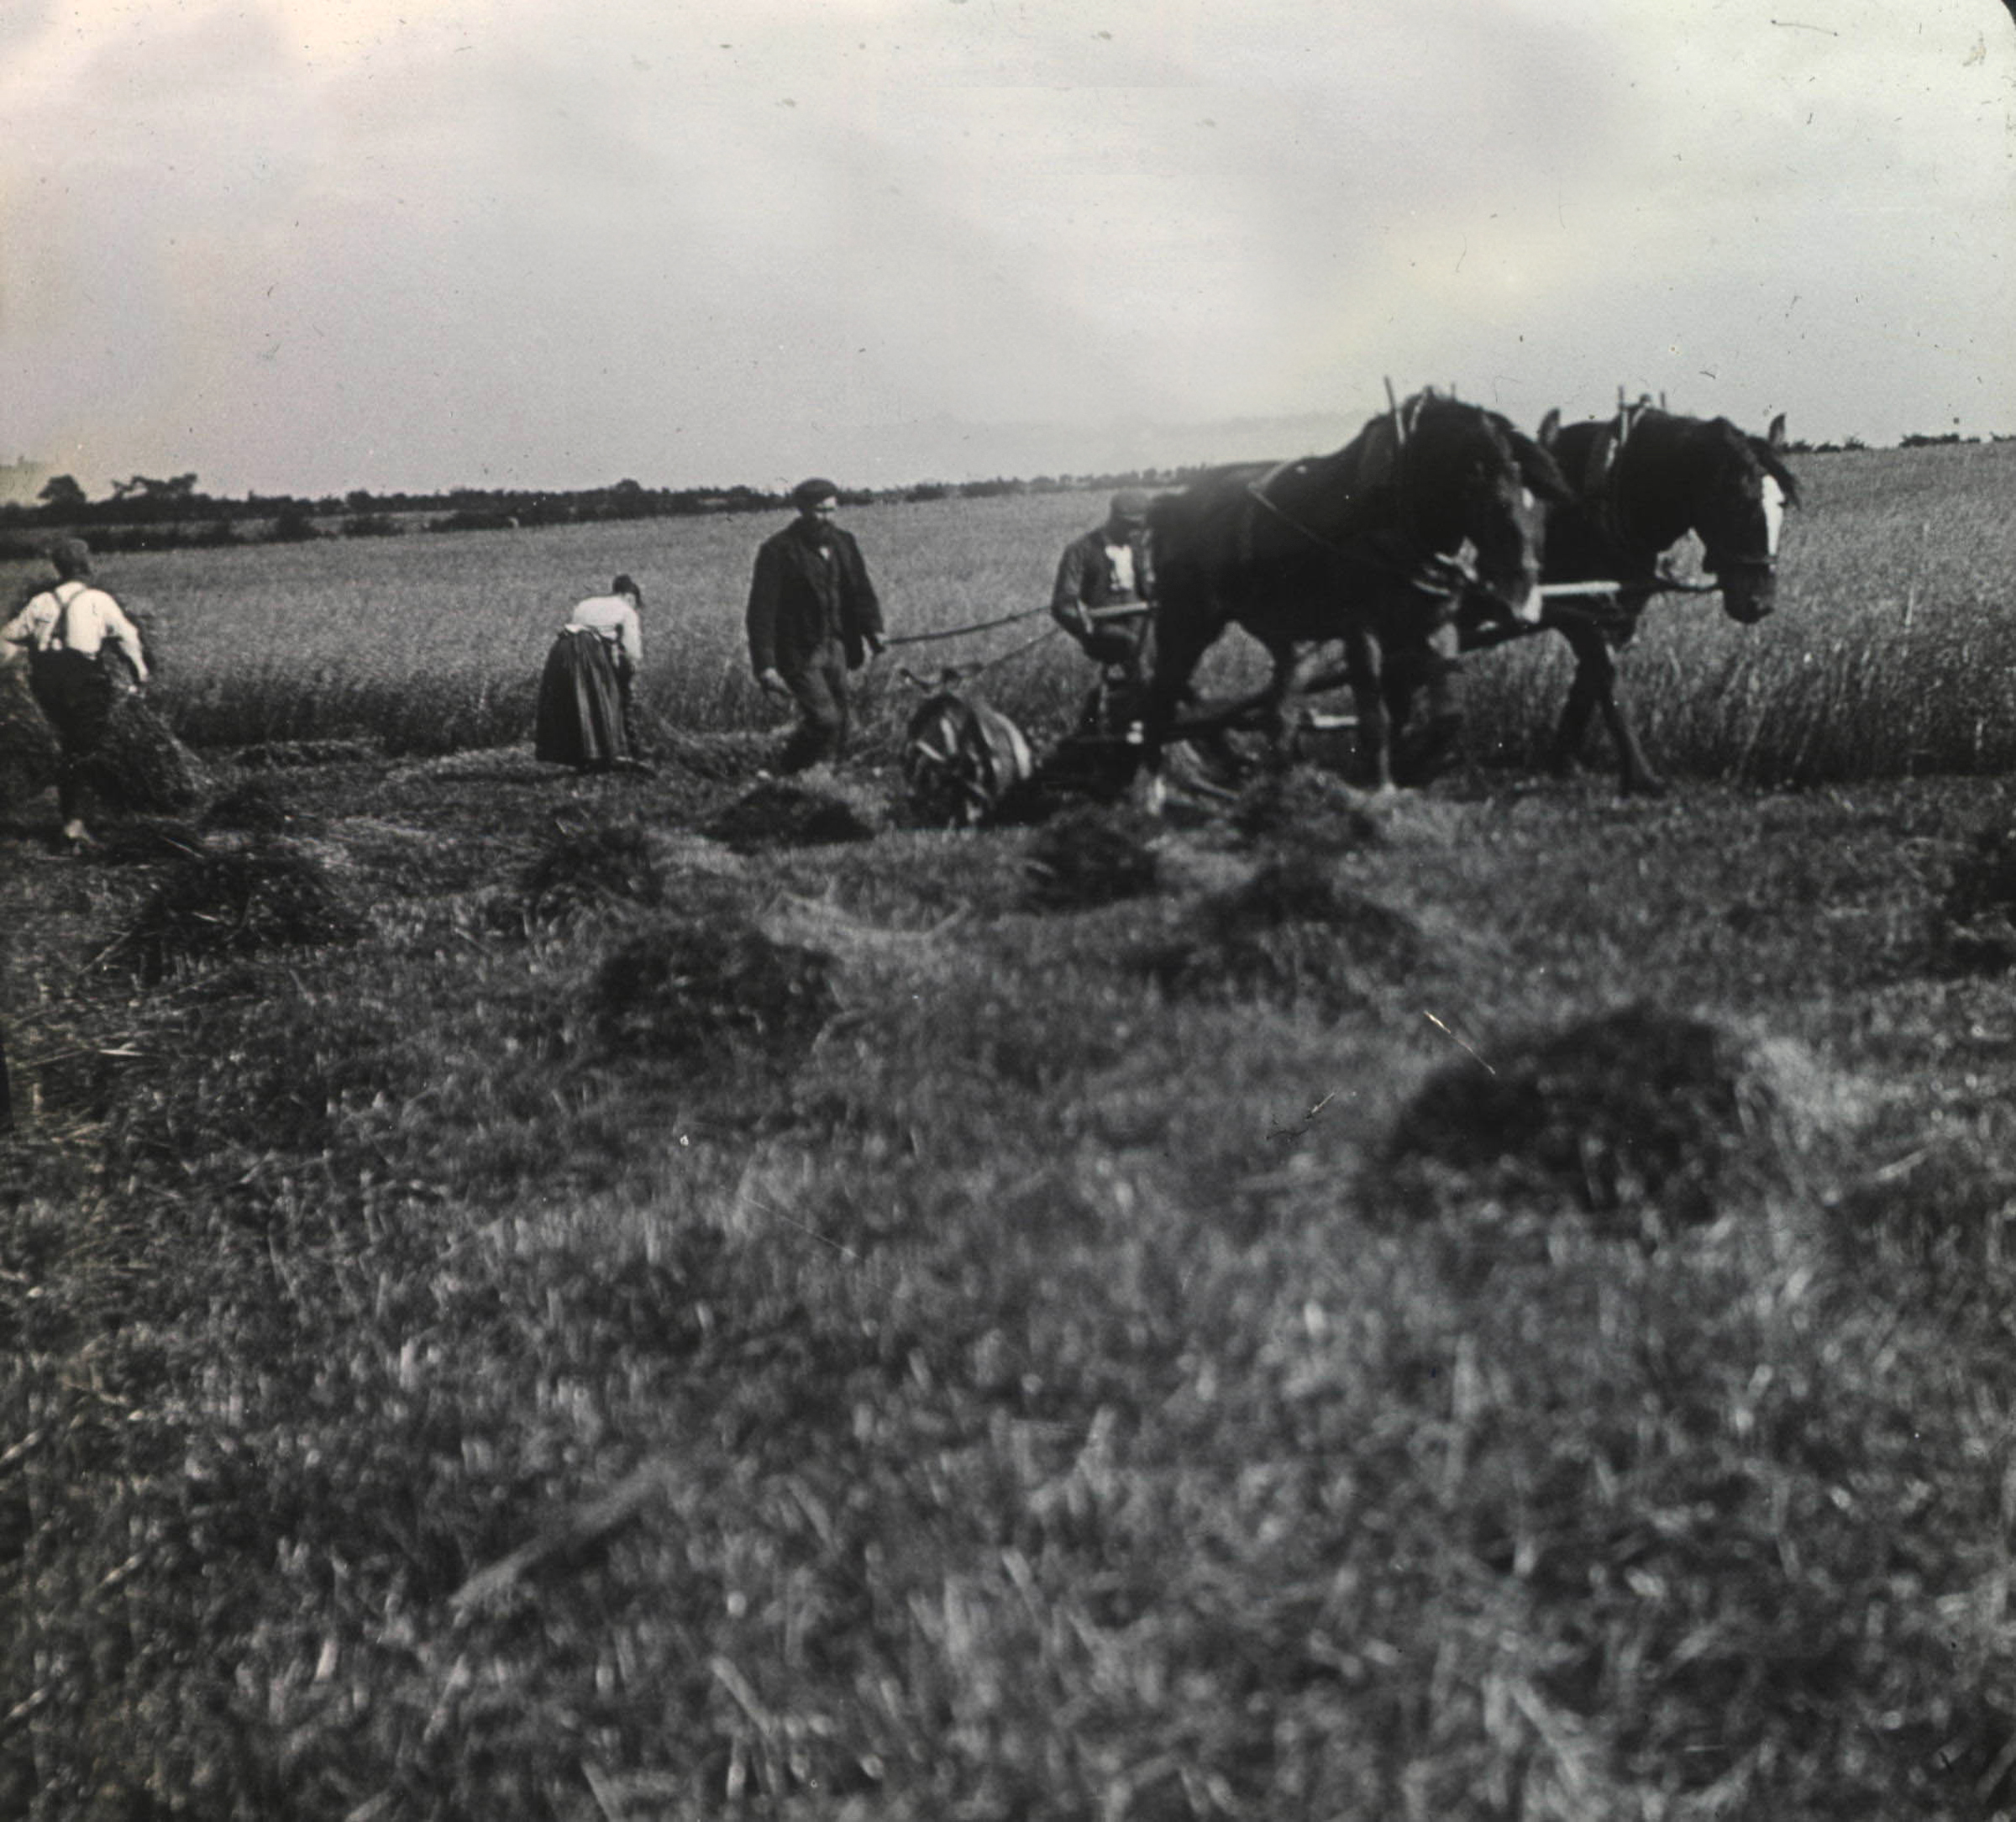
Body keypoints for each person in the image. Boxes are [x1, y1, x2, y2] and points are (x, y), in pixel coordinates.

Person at [1, 537, 150, 849]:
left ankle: (72, 817)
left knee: (63, 747)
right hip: (84, 680)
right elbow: (128, 638)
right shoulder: (98, 600)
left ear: (58, 568)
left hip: (45, 681)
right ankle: (74, 826)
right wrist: (140, 674)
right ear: (85, 566)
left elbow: (8, 638)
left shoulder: (41, 601)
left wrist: (12, 669)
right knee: (83, 750)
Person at [746, 478, 886, 771]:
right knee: (825, 719)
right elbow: (761, 612)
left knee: (843, 721)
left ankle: (826, 778)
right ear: (802, 509)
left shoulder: (845, 543)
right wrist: (766, 666)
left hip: (838, 646)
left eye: (832, 511)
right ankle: (786, 771)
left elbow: (861, 590)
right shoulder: (778, 550)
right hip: (799, 652)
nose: (827, 518)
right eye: (820, 511)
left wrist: (873, 630)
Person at [533, 574, 649, 771]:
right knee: (603, 698)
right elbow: (632, 651)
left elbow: (583, 629)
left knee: (576, 702)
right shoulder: (627, 610)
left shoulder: (587, 603)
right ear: (630, 597)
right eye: (636, 603)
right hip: (587, 650)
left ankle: (583, 756)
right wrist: (629, 673)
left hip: (562, 650)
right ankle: (604, 754)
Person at [1050, 486, 1158, 683]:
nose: (1135, 532)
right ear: (1114, 519)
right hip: (1102, 629)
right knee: (1135, 647)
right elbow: (1062, 604)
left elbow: (1152, 588)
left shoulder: (1140, 550)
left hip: (1141, 622)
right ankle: (1151, 703)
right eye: (1130, 526)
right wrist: (1081, 620)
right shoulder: (1081, 550)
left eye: (1140, 527)